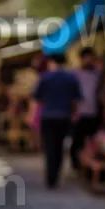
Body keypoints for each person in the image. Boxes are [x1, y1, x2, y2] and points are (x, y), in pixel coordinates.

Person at [31, 53, 82, 189]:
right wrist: (74, 115)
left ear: (51, 62)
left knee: (49, 147)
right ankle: (56, 175)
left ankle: (50, 177)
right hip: (64, 117)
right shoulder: (71, 78)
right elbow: (76, 100)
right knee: (59, 148)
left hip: (47, 117)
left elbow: (37, 98)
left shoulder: (45, 78)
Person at [70, 47, 105, 171]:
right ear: (82, 59)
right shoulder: (75, 74)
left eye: (91, 58)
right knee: (77, 142)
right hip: (80, 113)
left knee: (93, 142)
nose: (89, 60)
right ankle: (76, 166)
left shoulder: (97, 74)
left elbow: (100, 93)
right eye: (87, 58)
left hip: (94, 112)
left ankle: (90, 167)